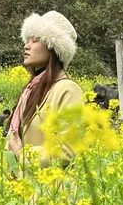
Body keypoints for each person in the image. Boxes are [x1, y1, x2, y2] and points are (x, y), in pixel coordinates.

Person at [6, 11, 84, 170]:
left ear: (53, 48)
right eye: (27, 40)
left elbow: (67, 150)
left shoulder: (67, 89)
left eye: (35, 40)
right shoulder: (30, 90)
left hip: (53, 190)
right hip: (23, 189)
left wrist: (23, 154)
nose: (27, 45)